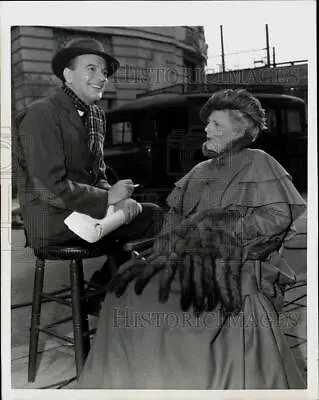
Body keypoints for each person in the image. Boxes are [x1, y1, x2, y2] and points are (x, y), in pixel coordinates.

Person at [76, 89, 307, 389]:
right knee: (127, 289)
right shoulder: (199, 170)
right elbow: (175, 220)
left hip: (238, 261)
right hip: (187, 259)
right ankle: (136, 382)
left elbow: (276, 219)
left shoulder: (260, 162)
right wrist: (170, 245)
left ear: (243, 130)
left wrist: (219, 231)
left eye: (217, 125)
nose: (207, 130)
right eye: (208, 124)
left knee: (181, 311)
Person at [16, 38, 164, 310]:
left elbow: (97, 171)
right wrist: (108, 199)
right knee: (152, 218)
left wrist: (116, 198)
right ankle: (102, 296)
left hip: (83, 212)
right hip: (52, 219)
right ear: (68, 74)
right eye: (92, 69)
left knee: (152, 216)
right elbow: (48, 187)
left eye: (104, 72)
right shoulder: (41, 113)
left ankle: (101, 294)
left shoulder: (96, 114)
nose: (101, 78)